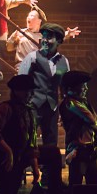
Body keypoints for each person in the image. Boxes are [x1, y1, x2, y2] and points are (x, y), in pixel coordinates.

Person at [17, 23, 70, 166]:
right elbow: (20, 82)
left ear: (59, 41)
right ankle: (22, 170)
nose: (45, 40)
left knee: (51, 144)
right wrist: (23, 106)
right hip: (33, 106)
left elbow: (64, 87)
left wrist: (64, 110)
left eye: (49, 37)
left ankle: (48, 175)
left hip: (52, 108)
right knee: (27, 139)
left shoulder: (64, 62)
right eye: (44, 37)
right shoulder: (32, 57)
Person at [0, 74, 38, 194]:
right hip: (5, 160)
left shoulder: (28, 111)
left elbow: (32, 142)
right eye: (27, 91)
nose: (31, 94)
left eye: (31, 91)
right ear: (16, 91)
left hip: (21, 156)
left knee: (53, 154)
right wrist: (8, 152)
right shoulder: (5, 108)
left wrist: (35, 167)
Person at [59, 70, 97, 187]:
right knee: (76, 184)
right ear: (73, 87)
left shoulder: (83, 102)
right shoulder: (72, 104)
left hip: (89, 149)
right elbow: (93, 121)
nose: (86, 88)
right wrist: (96, 125)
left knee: (94, 182)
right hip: (78, 150)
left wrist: (96, 125)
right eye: (83, 85)